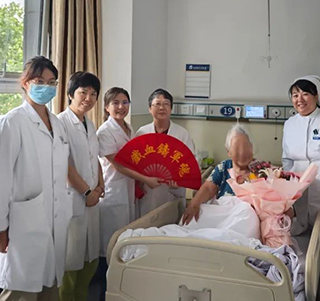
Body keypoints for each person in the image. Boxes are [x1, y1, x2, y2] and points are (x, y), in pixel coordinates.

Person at [0, 56, 71, 301]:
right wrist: (0, 227)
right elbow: (0, 178)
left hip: (54, 218)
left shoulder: (57, 124)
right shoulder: (12, 122)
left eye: (52, 82)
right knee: (20, 291)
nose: (46, 87)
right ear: (25, 83)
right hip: (23, 221)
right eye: (39, 81)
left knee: (50, 286)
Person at [92, 87, 164, 299]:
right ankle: (104, 293)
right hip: (113, 194)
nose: (121, 107)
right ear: (106, 107)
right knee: (110, 248)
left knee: (124, 245)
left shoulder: (129, 128)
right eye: (115, 103)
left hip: (128, 193)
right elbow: (119, 165)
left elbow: (135, 159)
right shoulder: (105, 132)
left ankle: (121, 291)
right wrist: (146, 180)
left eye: (125, 102)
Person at [282, 75, 320, 300]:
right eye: (295, 95)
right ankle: (303, 291)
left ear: (316, 96)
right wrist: (287, 188)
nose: (300, 99)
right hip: (297, 190)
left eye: (305, 93)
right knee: (301, 244)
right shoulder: (289, 124)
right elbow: (286, 159)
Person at [58, 72, 104, 301]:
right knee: (70, 261)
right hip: (73, 199)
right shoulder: (60, 123)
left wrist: (100, 184)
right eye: (83, 92)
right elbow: (64, 165)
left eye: (93, 94)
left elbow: (94, 157)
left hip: (92, 199)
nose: (88, 98)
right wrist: (86, 192)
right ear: (70, 94)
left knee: (90, 260)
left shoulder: (90, 123)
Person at [136, 88, 195, 216]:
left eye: (166, 104)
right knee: (146, 224)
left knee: (171, 223)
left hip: (173, 192)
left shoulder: (182, 134)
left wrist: (179, 180)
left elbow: (189, 164)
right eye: (157, 104)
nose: (162, 107)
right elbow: (135, 162)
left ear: (171, 108)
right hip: (148, 191)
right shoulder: (141, 133)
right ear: (150, 109)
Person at [182, 124, 254, 225]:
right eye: (237, 148)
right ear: (228, 151)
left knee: (247, 212)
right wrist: (194, 203)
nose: (242, 153)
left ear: (251, 148)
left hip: (244, 218)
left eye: (246, 147)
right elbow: (208, 188)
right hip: (222, 213)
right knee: (194, 218)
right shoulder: (223, 167)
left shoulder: (261, 170)